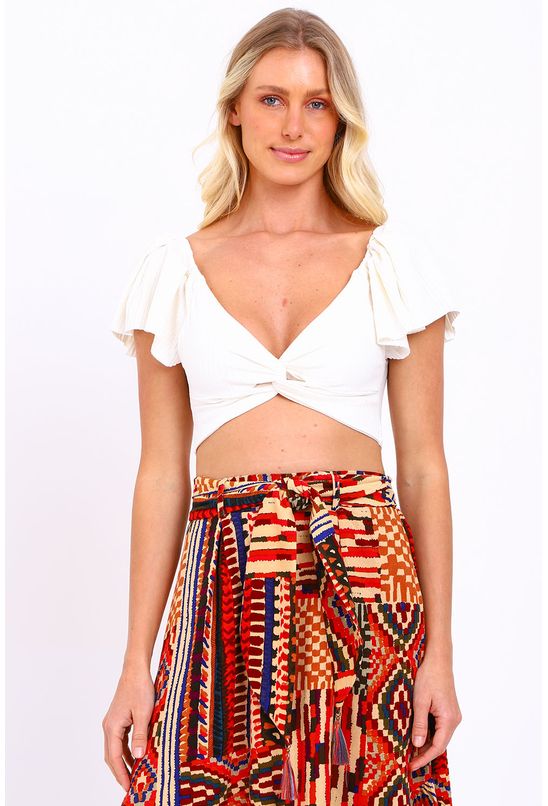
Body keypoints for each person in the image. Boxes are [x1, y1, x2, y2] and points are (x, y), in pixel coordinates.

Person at [103, 8, 462, 805]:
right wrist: (135, 662)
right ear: (234, 109)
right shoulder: (175, 271)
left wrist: (440, 654)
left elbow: (424, 467)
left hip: (361, 571)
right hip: (224, 573)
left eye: (317, 103)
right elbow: (160, 473)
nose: (293, 126)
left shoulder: (389, 263)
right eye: (272, 99)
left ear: (342, 121)